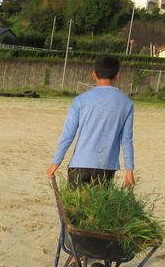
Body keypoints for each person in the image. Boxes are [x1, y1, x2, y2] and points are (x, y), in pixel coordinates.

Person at [47, 55, 134, 188]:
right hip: (106, 167)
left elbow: (68, 135)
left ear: (93, 74)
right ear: (117, 75)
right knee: (97, 208)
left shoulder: (80, 100)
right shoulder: (126, 103)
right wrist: (129, 170)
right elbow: (127, 139)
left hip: (79, 165)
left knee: (74, 207)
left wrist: (55, 162)